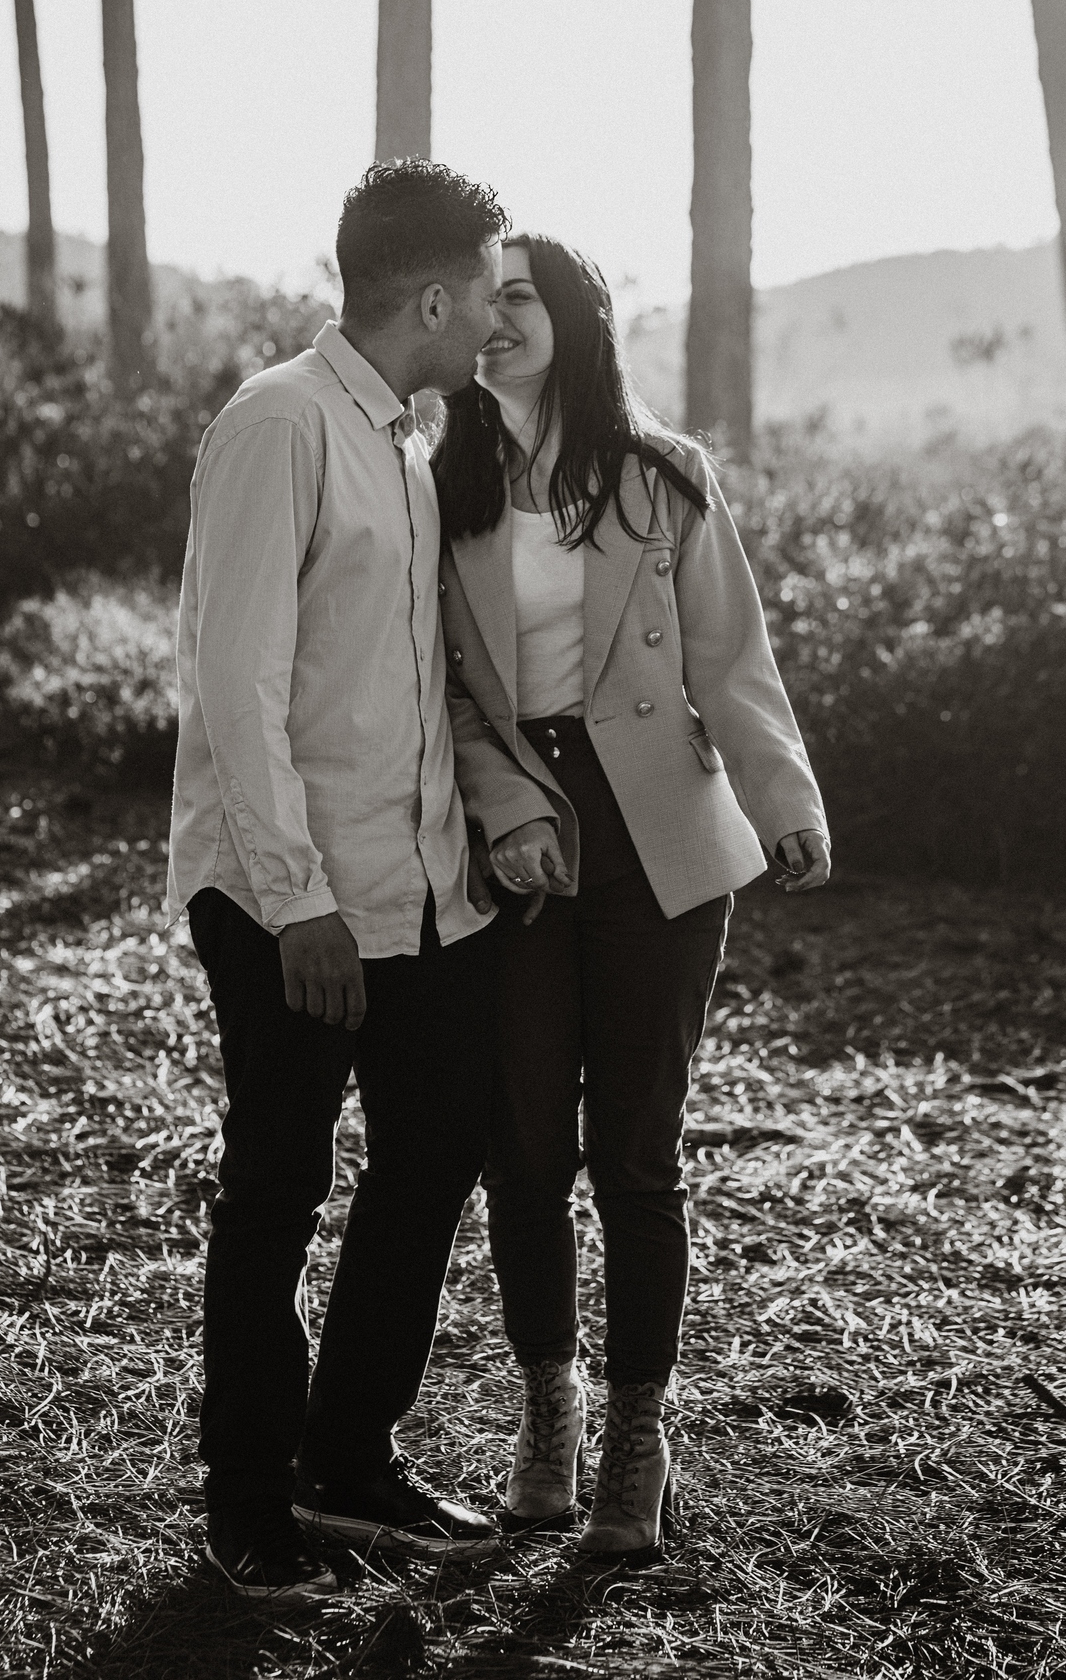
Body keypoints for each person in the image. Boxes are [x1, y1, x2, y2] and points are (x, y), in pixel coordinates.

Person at [166, 162, 547, 1603]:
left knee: (434, 1153)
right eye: (489, 293)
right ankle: (249, 1504)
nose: (499, 322)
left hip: (424, 892)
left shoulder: (403, 438)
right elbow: (233, 680)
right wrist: (297, 898)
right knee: (276, 1186)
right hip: (292, 899)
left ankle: (347, 1460)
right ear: (432, 296)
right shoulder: (277, 424)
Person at [431, 233, 830, 1566]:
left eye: (521, 299)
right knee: (526, 1148)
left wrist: (788, 809)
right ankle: (549, 1421)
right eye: (485, 302)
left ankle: (637, 1444)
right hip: (525, 838)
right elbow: (454, 699)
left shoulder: (663, 480)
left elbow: (733, 659)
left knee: (636, 1152)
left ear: (579, 319)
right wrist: (511, 815)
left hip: (659, 829)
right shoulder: (444, 488)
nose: (495, 320)